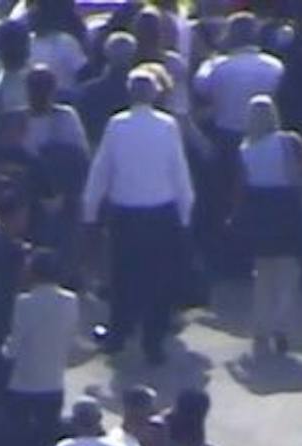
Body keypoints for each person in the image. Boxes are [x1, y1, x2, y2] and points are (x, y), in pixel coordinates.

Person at [81, 66, 194, 366]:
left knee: (122, 276)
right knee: (160, 279)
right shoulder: (168, 125)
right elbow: (178, 171)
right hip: (161, 213)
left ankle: (118, 333)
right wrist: (185, 214)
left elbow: (101, 170)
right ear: (156, 93)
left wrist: (90, 211)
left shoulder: (117, 125)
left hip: (125, 213)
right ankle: (153, 342)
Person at [236, 96, 302, 358]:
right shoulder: (289, 140)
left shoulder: (245, 147)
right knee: (288, 274)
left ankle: (260, 327)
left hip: (259, 209)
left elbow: (243, 183)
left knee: (263, 275)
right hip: (288, 208)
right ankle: (281, 326)